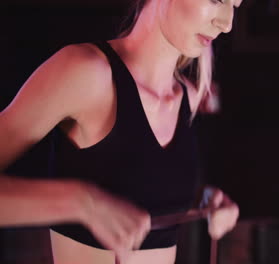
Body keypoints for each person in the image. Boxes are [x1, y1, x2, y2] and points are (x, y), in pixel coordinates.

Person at [0, 0, 242, 263]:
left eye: (235, 5)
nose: (227, 23)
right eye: (217, 0)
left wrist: (204, 201)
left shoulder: (188, 98)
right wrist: (80, 202)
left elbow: (141, 186)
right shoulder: (87, 73)